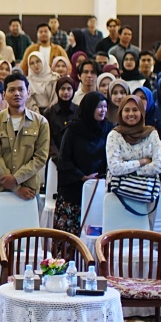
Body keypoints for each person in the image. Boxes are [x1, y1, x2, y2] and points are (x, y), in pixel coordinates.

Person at [0, 72, 49, 233]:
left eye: (21, 89)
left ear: (28, 92)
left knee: (27, 239)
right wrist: (15, 187)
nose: (17, 93)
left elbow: (40, 157)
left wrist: (16, 179)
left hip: (28, 189)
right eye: (12, 90)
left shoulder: (41, 122)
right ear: (4, 95)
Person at [54, 92, 111, 235]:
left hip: (99, 187)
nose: (103, 110)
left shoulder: (109, 129)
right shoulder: (73, 130)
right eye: (99, 107)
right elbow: (64, 160)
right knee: (70, 236)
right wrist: (82, 177)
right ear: (89, 108)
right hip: (74, 188)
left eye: (105, 106)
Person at [105, 95, 161, 209]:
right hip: (118, 195)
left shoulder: (151, 133)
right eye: (127, 110)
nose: (131, 114)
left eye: (135, 110)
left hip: (148, 195)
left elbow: (159, 165)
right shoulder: (114, 135)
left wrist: (129, 169)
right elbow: (115, 168)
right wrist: (143, 161)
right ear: (121, 113)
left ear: (142, 112)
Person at [44, 77, 76, 157]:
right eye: (63, 88)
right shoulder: (49, 113)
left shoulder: (78, 111)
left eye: (69, 89)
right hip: (54, 158)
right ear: (57, 90)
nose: (66, 92)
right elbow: (47, 138)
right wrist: (57, 156)